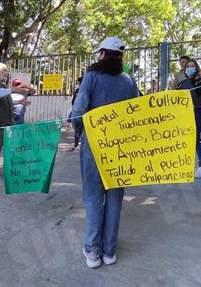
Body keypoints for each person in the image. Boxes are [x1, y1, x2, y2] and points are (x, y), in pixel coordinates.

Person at [72, 37, 139, 269]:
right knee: (114, 197)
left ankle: (92, 251)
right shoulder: (128, 81)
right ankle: (109, 251)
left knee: (92, 196)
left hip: (95, 144)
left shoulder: (91, 77)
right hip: (121, 147)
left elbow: (78, 110)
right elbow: (138, 112)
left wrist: (79, 134)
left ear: (102, 53)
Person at [0, 63, 28, 181]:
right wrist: (11, 89)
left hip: (8, 124)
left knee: (11, 148)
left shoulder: (2, 87)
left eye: (7, 71)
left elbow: (5, 102)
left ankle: (12, 171)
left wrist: (19, 103)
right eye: (4, 71)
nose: (7, 73)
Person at [177, 59, 201, 178]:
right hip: (185, 113)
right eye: (187, 67)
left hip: (198, 111)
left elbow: (199, 99)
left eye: (192, 66)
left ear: (197, 68)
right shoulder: (182, 83)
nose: (190, 68)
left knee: (197, 138)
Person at [70, 77, 83, 151]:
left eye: (79, 82)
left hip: (81, 113)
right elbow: (73, 101)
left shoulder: (79, 90)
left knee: (79, 129)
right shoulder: (78, 90)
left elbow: (73, 101)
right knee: (78, 129)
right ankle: (76, 145)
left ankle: (77, 145)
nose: (79, 84)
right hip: (79, 112)